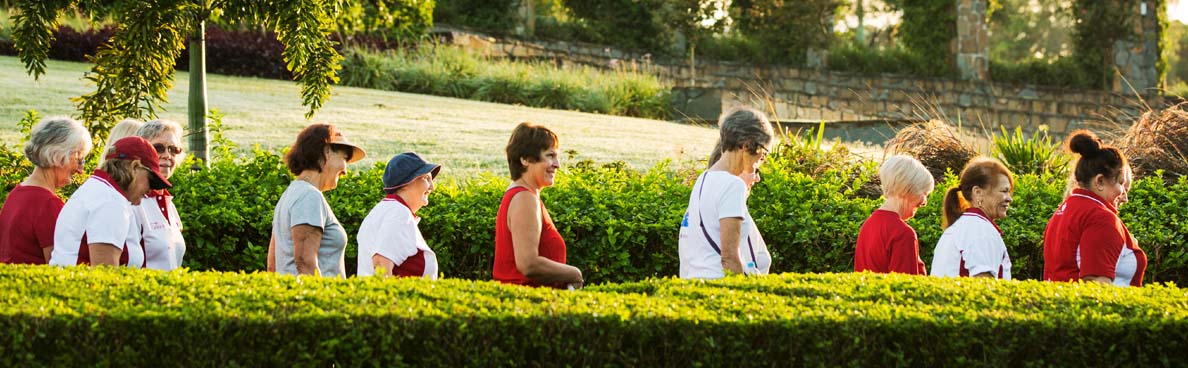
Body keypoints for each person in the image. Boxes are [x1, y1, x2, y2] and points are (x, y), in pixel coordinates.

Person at [678, 107, 775, 279]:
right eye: (762, 156)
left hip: (696, 282)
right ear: (746, 146)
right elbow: (729, 257)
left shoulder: (703, 179)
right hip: (718, 284)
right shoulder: (733, 185)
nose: (759, 164)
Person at [50, 137, 172, 267]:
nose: (150, 190)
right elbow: (105, 270)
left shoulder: (98, 189)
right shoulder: (110, 201)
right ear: (135, 167)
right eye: (151, 181)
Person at [1043, 130, 1145, 286]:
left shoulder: (1065, 209)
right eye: (1120, 183)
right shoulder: (1101, 218)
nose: (1122, 192)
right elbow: (1097, 284)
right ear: (1100, 181)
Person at [267, 123, 365, 278]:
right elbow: (305, 263)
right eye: (344, 158)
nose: (345, 170)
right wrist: (318, 299)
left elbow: (272, 265)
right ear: (327, 152)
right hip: (312, 298)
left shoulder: (291, 193)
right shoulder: (309, 196)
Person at [493, 122, 584, 288]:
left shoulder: (524, 195)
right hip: (526, 304)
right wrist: (575, 273)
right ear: (526, 159)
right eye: (550, 156)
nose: (557, 164)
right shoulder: (525, 198)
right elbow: (528, 264)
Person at [0, 117, 92, 264]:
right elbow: (60, 265)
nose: (81, 170)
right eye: (79, 159)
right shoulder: (48, 204)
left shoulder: (17, 193)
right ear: (58, 155)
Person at [357, 152, 442, 279]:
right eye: (426, 178)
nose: (432, 187)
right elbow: (381, 263)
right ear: (406, 183)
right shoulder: (399, 214)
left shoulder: (386, 209)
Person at [930, 157, 1014, 279]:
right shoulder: (981, 231)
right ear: (978, 192)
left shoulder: (965, 225)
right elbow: (983, 285)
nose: (1009, 198)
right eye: (1004, 191)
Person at [854, 155, 934, 275]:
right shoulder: (903, 233)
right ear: (908, 189)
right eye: (924, 193)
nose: (924, 202)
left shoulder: (868, 224)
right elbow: (907, 287)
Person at [135, 120, 187, 270]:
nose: (167, 155)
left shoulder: (169, 202)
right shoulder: (132, 201)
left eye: (173, 149)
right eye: (158, 148)